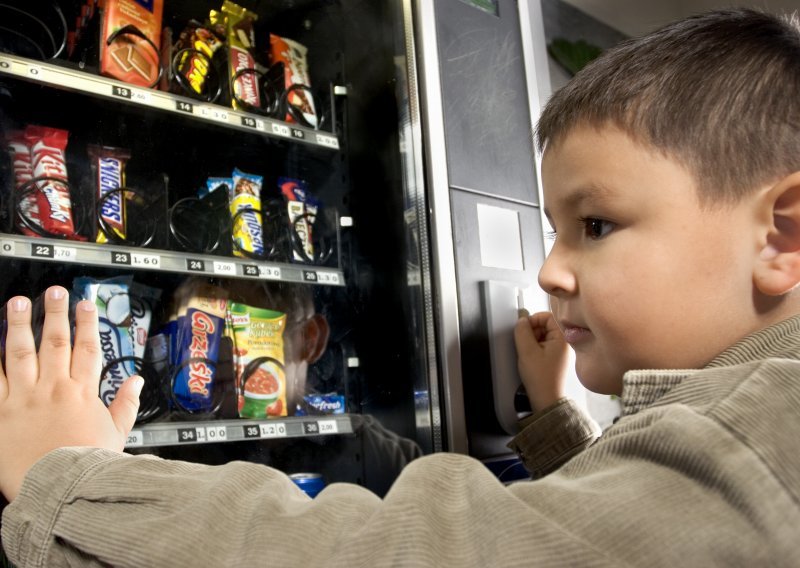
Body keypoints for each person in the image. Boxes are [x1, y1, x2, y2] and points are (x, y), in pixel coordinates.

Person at [2, 7, 800, 566]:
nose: (549, 270)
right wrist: (551, 417)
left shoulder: (756, 443)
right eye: (553, 228)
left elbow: (403, 555)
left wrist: (68, 478)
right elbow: (604, 529)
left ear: (783, 236)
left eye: (595, 225)